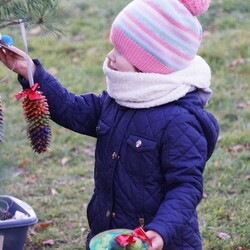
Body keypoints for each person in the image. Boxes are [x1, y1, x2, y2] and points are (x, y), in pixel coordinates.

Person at [0, 0, 219, 249]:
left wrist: (160, 230)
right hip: (110, 237)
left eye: (121, 51)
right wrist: (30, 71)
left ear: (149, 64)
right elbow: (70, 109)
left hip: (160, 242)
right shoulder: (118, 101)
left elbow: (186, 187)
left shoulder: (180, 121)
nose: (110, 56)